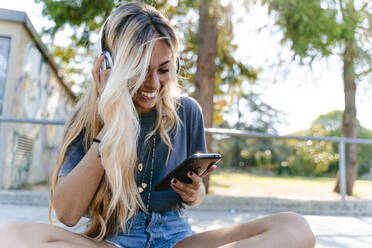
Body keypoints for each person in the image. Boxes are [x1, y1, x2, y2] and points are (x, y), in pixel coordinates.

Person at [0, 2, 315, 248]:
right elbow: (66, 214)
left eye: (163, 69)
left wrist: (194, 194)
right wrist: (112, 126)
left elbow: (198, 193)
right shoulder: (88, 117)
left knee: (294, 227)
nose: (152, 83)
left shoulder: (187, 111)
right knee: (10, 236)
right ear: (109, 65)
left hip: (176, 239)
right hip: (113, 240)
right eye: (138, 70)